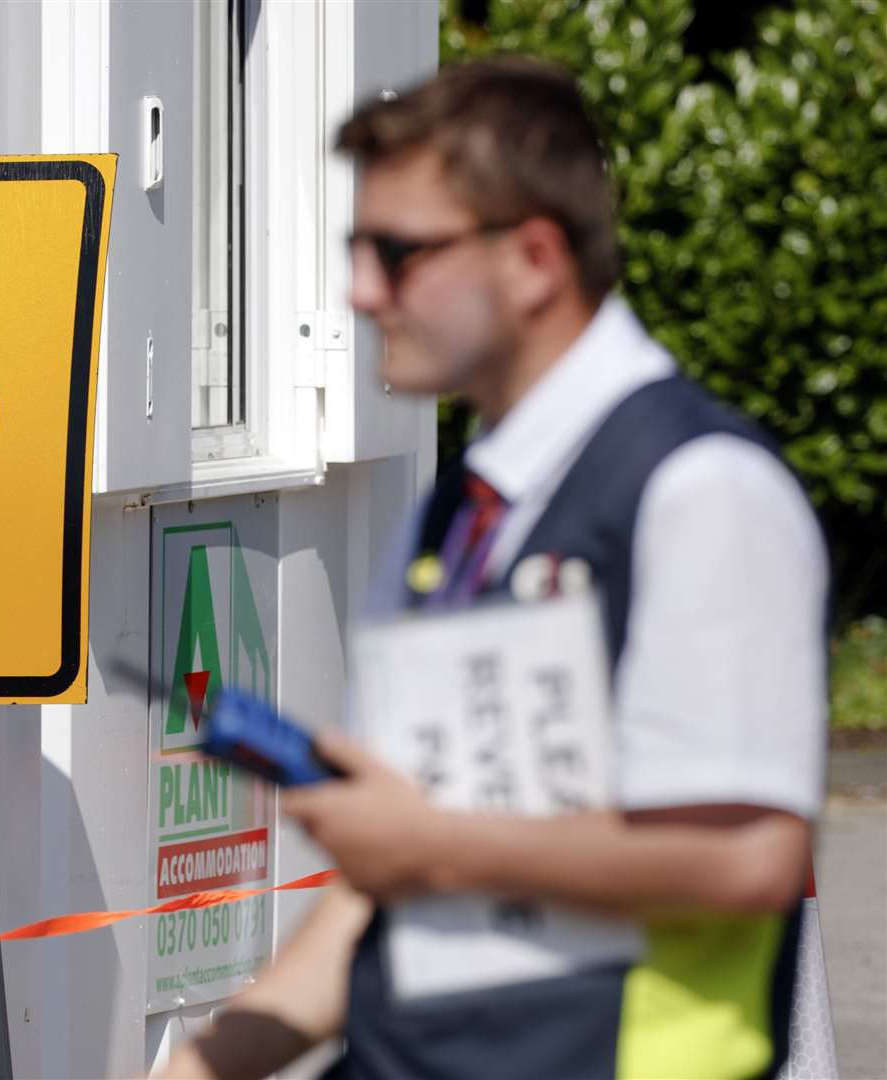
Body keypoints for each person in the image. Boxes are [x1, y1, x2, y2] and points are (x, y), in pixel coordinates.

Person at [159, 56, 828, 1080]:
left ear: (534, 258)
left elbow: (750, 858)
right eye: (356, 249)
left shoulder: (701, 489)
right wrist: (202, 1067)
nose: (360, 290)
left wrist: (430, 844)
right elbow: (389, 884)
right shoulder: (456, 508)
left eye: (399, 252)